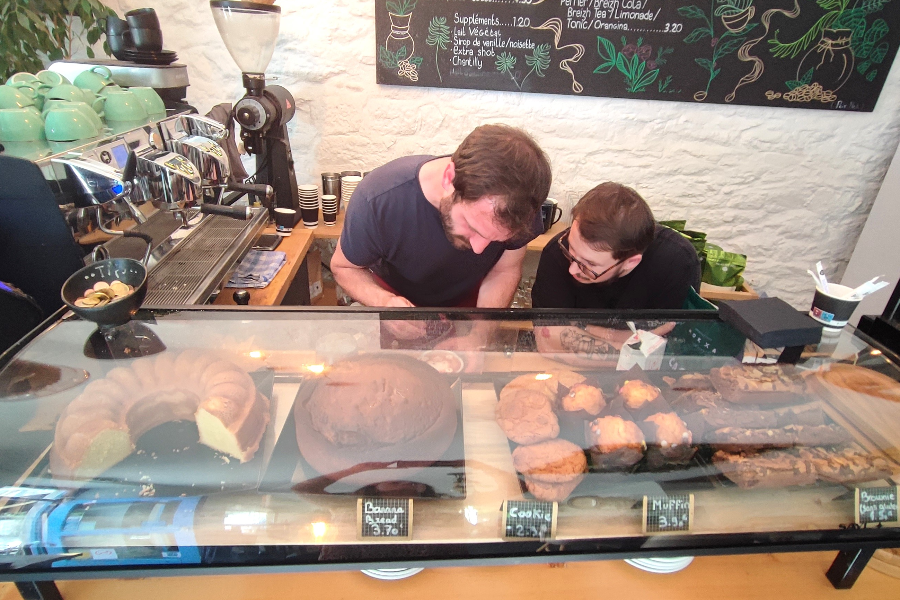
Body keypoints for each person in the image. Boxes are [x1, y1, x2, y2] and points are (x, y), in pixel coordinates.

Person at [331, 124, 551, 343]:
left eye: (496, 239)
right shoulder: (379, 198)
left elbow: (504, 271)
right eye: (472, 227)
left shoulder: (520, 205)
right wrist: (383, 301)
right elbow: (343, 266)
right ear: (449, 178)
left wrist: (479, 337)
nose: (478, 249)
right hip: (397, 305)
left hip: (475, 307)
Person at [530, 182, 701, 365]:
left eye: (589, 264)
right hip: (564, 372)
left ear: (630, 263)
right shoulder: (556, 252)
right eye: (570, 249)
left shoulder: (676, 262)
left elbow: (666, 350)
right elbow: (548, 341)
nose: (572, 268)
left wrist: (579, 327)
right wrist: (632, 345)